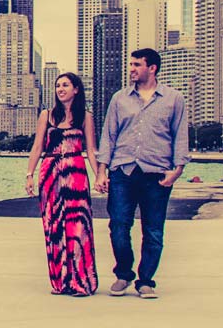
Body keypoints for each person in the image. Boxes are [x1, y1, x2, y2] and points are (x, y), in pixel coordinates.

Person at [96, 47, 190, 300]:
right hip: (123, 171)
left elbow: (180, 136)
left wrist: (177, 171)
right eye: (131, 65)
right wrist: (101, 171)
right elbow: (109, 135)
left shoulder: (173, 99)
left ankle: (146, 280)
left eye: (137, 65)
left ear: (152, 68)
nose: (131, 69)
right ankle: (124, 273)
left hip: (157, 174)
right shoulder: (119, 98)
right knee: (118, 225)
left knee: (153, 230)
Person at [25, 72, 100, 296]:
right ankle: (59, 281)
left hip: (76, 174)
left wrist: (99, 176)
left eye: (65, 85)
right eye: (58, 85)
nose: (60, 89)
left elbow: (91, 150)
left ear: (76, 89)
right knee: (53, 226)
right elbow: (37, 147)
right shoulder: (46, 116)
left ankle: (81, 282)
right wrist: (29, 174)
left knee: (78, 225)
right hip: (50, 174)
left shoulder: (85, 117)